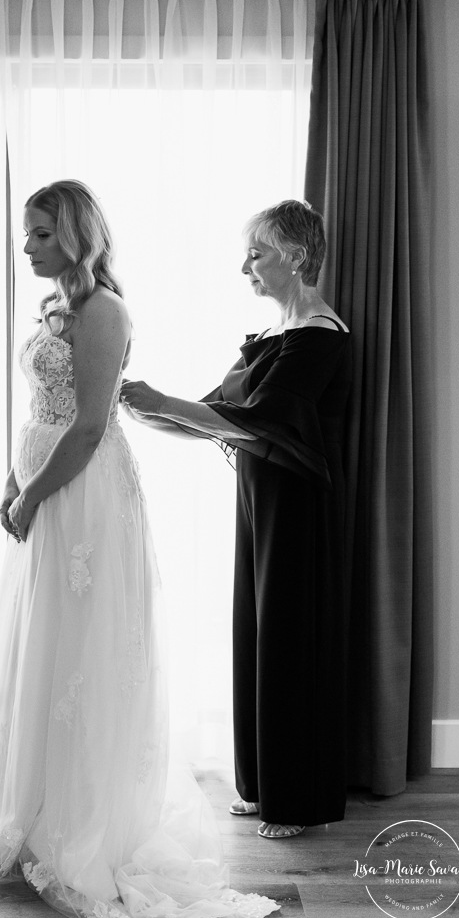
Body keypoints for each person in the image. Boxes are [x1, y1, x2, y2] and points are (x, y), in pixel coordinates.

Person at [0, 180, 279, 918]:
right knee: (43, 642)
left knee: (84, 647)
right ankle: (30, 799)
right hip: (45, 478)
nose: (24, 246)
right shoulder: (55, 307)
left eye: (37, 234)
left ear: (74, 235)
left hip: (83, 495)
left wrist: (33, 495)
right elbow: (43, 411)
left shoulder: (104, 311)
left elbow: (91, 426)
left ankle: (83, 817)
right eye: (24, 234)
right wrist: (13, 476)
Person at [121, 199, 352, 841]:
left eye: (256, 252)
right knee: (256, 631)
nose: (244, 265)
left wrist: (164, 403)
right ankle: (263, 785)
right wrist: (148, 411)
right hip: (261, 502)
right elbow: (217, 409)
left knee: (288, 639)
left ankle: (296, 798)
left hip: (299, 507)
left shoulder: (319, 337)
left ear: (297, 257)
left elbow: (264, 423)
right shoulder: (275, 338)